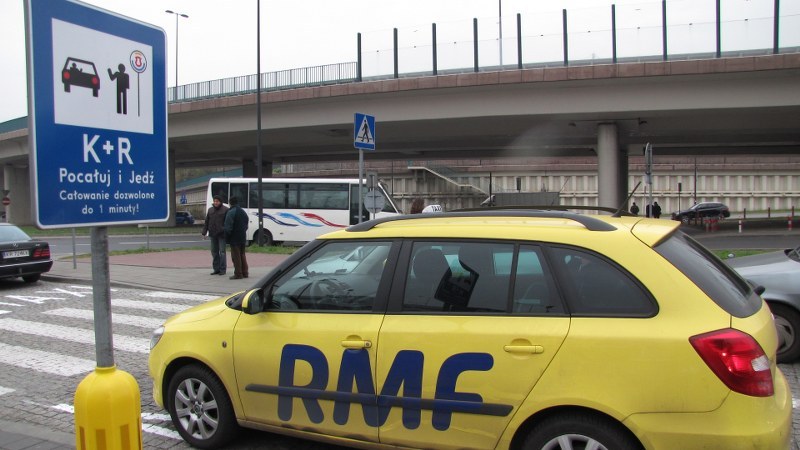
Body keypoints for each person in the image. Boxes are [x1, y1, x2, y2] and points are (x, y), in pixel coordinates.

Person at [202, 195, 228, 275]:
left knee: (222, 252)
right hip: (213, 234)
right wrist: (204, 232)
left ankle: (223, 269)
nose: (215, 202)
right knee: (214, 252)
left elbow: (227, 222)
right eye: (214, 201)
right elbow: (207, 222)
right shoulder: (210, 210)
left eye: (217, 201)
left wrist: (223, 229)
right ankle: (216, 269)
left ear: (220, 202)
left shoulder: (226, 210)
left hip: (221, 235)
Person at [224, 196, 249, 279]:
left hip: (234, 237)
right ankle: (245, 272)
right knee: (242, 255)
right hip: (242, 236)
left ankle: (238, 273)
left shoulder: (231, 212)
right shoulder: (243, 211)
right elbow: (246, 224)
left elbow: (228, 227)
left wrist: (227, 236)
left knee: (236, 256)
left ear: (230, 203)